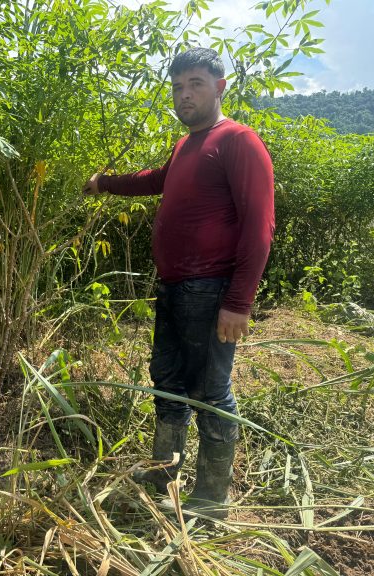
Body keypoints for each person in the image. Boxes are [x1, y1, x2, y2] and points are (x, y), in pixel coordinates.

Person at [83, 47, 275, 519]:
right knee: (167, 382)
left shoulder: (238, 140)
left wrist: (239, 301)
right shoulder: (187, 144)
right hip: (174, 287)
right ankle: (163, 471)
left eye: (195, 84)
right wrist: (105, 183)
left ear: (220, 87)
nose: (184, 94)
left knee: (210, 392)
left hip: (210, 290)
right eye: (177, 86)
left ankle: (210, 500)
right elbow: (157, 180)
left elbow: (260, 227)